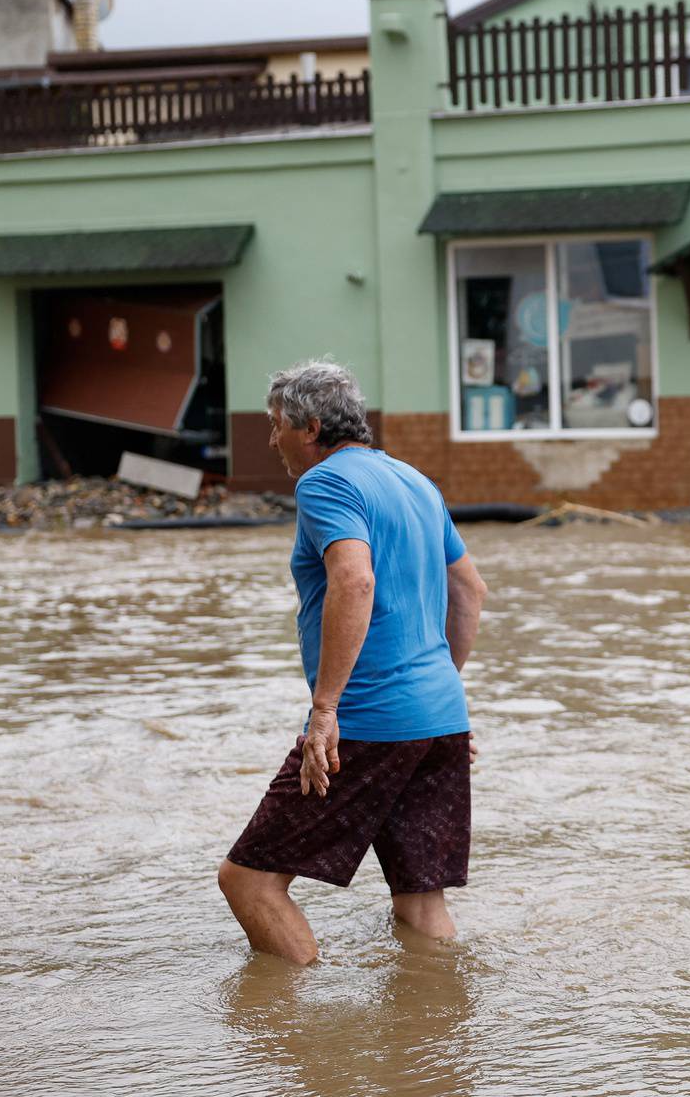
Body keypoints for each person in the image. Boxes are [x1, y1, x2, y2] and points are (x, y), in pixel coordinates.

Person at [218, 360, 488, 965]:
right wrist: (439, 698)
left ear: (310, 427)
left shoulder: (324, 483)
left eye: (276, 425)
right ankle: (433, 1037)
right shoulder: (415, 481)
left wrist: (324, 711)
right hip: (439, 718)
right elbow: (470, 590)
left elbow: (355, 580)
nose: (272, 439)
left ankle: (302, 1037)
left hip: (367, 721)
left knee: (249, 881)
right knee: (421, 902)